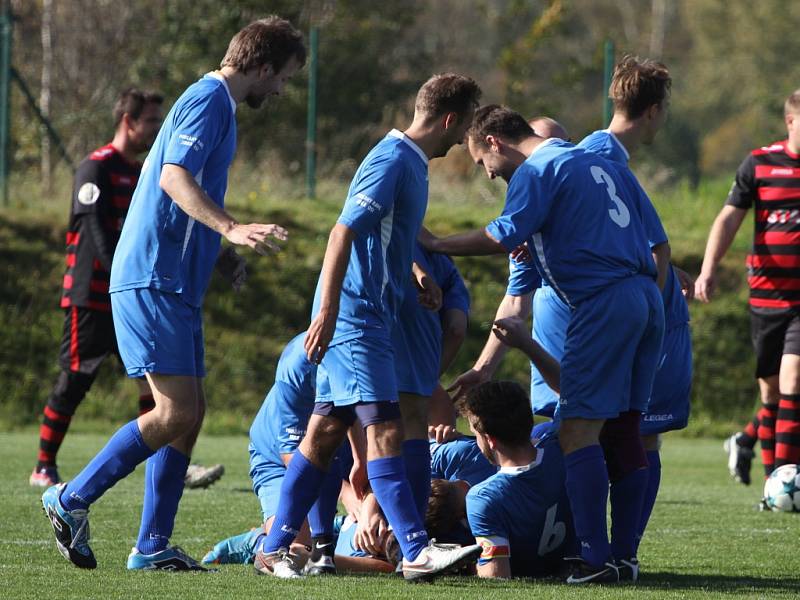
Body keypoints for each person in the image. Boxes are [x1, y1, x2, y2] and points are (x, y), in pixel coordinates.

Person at [42, 16, 306, 571]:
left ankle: (152, 546)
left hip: (177, 282)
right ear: (262, 67)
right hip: (151, 276)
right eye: (281, 78)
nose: (281, 90)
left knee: (191, 411)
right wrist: (232, 227)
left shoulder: (221, 107)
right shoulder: (209, 98)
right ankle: (69, 499)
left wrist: (223, 251)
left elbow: (192, 191)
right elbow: (173, 177)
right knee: (174, 409)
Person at [253, 73, 483, 582]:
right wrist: (328, 312)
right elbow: (342, 233)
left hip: (369, 312)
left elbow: (388, 239)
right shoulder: (393, 159)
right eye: (465, 123)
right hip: (356, 316)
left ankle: (273, 550)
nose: (465, 136)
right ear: (450, 119)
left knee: (326, 431)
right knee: (385, 425)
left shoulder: (413, 166)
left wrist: (419, 271)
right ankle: (417, 550)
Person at [421, 104, 665, 584]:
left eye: (480, 163)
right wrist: (485, 368)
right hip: (645, 296)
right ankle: (624, 555)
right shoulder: (598, 164)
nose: (488, 176)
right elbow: (653, 243)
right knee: (626, 428)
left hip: (602, 300)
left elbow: (502, 233)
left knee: (575, 431)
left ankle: (595, 560)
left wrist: (435, 244)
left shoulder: (538, 169)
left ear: (495, 141)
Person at [30, 88, 163, 488]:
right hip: (91, 297)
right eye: (152, 121)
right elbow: (95, 236)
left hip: (129, 298)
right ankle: (43, 466)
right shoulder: (95, 169)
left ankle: (158, 463)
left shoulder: (142, 173)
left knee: (152, 379)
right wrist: (123, 277)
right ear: (129, 121)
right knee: (75, 379)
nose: (156, 128)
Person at [697, 89, 800, 487]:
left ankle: (778, 482)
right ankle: (748, 440)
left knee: (793, 381)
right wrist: (708, 269)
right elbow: (727, 220)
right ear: (790, 122)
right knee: (772, 393)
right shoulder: (760, 164)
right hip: (767, 297)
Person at [461, 381, 575, 579]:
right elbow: (571, 390)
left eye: (475, 434)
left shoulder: (483, 497)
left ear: (489, 439)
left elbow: (495, 575)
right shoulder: (561, 450)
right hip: (575, 567)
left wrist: (467, 567)